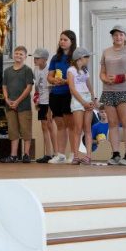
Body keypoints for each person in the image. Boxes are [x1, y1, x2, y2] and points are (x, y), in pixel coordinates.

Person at [99, 25, 126, 166]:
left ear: (125, 36)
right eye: (115, 35)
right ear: (112, 37)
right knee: (112, 122)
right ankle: (115, 153)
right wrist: (105, 78)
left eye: (121, 34)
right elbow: (102, 72)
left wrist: (120, 78)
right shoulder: (106, 52)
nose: (118, 37)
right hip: (109, 91)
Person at [47, 30, 77, 164]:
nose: (62, 42)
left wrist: (66, 81)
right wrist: (54, 80)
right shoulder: (55, 58)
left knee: (70, 124)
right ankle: (60, 154)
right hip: (56, 93)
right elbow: (49, 76)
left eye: (65, 40)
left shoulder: (76, 57)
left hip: (69, 93)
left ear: (71, 41)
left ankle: (73, 153)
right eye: (61, 39)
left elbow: (80, 76)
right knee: (59, 124)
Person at [2, 46, 35, 163]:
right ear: (13, 55)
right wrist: (6, 99)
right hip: (10, 105)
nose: (18, 56)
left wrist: (17, 101)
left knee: (26, 130)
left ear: (25, 56)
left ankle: (26, 154)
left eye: (21, 54)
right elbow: (4, 86)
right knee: (13, 130)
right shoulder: (7, 71)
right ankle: (13, 155)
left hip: (23, 106)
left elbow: (29, 88)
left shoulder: (27, 70)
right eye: (16, 53)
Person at [67, 47, 94, 165]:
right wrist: (83, 102)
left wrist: (93, 98)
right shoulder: (71, 70)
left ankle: (88, 155)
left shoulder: (85, 71)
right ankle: (76, 155)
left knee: (87, 128)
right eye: (86, 57)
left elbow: (89, 85)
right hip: (78, 100)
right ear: (80, 58)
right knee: (77, 128)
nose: (88, 59)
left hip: (87, 98)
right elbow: (72, 88)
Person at [32, 48, 56, 163]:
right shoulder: (36, 69)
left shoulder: (49, 70)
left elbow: (52, 90)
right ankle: (48, 153)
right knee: (44, 127)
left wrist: (50, 109)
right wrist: (36, 99)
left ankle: (57, 153)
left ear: (45, 59)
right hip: (41, 101)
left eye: (37, 58)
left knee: (51, 126)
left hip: (49, 102)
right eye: (34, 58)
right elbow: (37, 86)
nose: (35, 60)